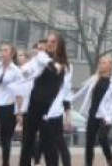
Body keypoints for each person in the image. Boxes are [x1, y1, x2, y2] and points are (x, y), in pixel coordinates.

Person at [20, 33, 75, 166]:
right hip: (34, 105)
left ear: (60, 45)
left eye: (54, 42)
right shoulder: (41, 58)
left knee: (50, 147)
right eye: (49, 41)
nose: (50, 44)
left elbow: (66, 91)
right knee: (27, 143)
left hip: (51, 110)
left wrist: (68, 114)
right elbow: (25, 71)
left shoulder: (67, 66)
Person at [72, 55, 112, 166]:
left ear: (111, 66)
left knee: (102, 138)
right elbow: (81, 92)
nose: (101, 64)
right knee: (89, 142)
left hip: (104, 116)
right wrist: (68, 101)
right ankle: (88, 163)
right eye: (100, 62)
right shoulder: (94, 79)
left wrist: (109, 117)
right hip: (92, 114)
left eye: (104, 62)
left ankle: (110, 161)